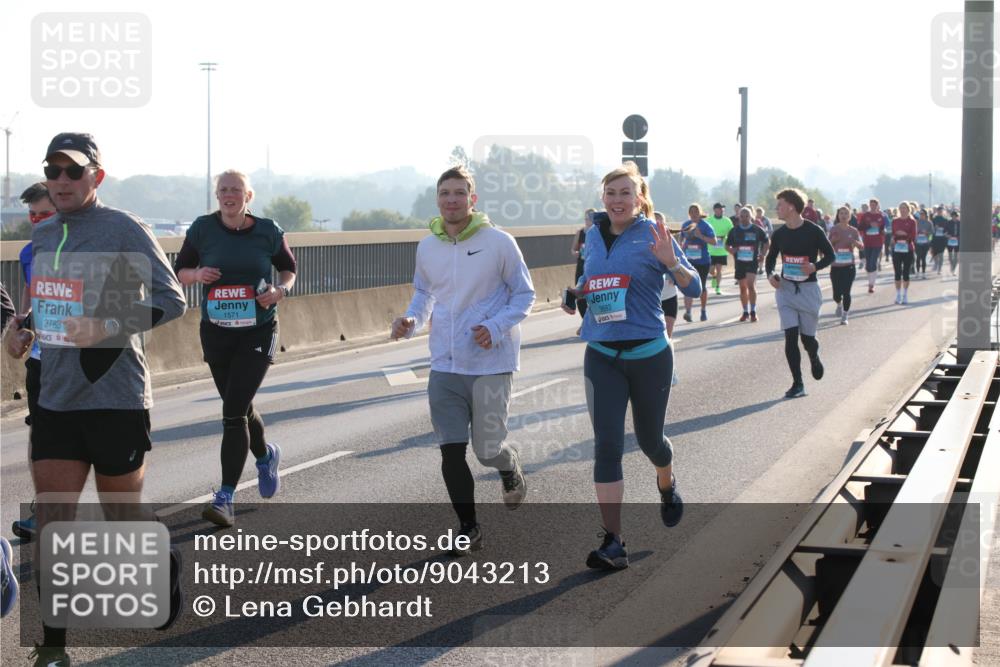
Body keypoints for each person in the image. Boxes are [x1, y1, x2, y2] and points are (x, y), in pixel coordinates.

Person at [6, 132, 187, 666]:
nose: (61, 181)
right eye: (53, 171)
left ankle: (163, 563)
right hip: (58, 399)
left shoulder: (124, 228)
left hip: (116, 396)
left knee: (122, 518)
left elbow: (171, 299)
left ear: (96, 177)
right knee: (53, 520)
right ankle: (54, 646)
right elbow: (50, 306)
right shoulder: (43, 236)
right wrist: (22, 333)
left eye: (73, 171)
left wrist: (108, 323)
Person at [391, 165, 534, 556]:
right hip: (445, 364)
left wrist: (497, 325)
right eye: (444, 194)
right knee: (451, 449)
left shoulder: (499, 242)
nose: (451, 200)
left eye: (459, 193)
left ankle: (507, 464)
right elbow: (424, 294)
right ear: (437, 199)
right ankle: (468, 527)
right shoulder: (428, 246)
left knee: (487, 450)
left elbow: (525, 295)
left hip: (490, 362)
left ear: (473, 199)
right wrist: (411, 320)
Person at [577, 162, 701, 570]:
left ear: (640, 198)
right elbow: (595, 282)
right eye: (611, 193)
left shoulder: (653, 234)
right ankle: (613, 541)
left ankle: (666, 481)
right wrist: (576, 294)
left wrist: (672, 262)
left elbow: (694, 286)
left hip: (649, 356)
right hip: (602, 356)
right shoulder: (592, 236)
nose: (617, 200)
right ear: (603, 198)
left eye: (625, 193)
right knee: (607, 446)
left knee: (651, 441)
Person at [174, 170, 295, 528]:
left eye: (236, 190)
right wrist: (198, 276)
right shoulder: (202, 228)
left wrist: (279, 291)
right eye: (223, 190)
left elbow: (288, 268)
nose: (229, 195)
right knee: (239, 405)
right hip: (217, 331)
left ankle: (225, 496)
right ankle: (264, 456)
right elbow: (181, 269)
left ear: (248, 196)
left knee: (232, 411)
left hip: (258, 329)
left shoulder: (268, 230)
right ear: (217, 195)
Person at [9, 183, 57, 542]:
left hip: (85, 362)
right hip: (42, 359)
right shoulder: (29, 253)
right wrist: (21, 323)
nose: (38, 221)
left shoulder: (89, 250)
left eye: (45, 214)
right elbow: (28, 292)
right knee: (39, 436)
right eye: (33, 215)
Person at [765, 188, 835, 399]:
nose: (777, 208)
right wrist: (771, 275)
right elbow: (770, 258)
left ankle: (813, 355)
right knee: (790, 336)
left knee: (807, 339)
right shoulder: (779, 233)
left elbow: (830, 255)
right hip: (786, 290)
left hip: (808, 291)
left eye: (780, 204)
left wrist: (815, 266)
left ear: (792, 206)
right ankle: (798, 383)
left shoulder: (813, 231)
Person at [725, 206, 769, 322]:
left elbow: (766, 242)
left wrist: (763, 254)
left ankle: (753, 311)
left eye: (747, 216)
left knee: (751, 285)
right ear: (739, 217)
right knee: (742, 288)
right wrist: (731, 250)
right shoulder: (734, 231)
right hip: (739, 263)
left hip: (752, 262)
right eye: (742, 216)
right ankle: (745, 312)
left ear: (751, 217)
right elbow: (727, 245)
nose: (744, 218)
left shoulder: (756, 229)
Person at [654, 212, 680, 386]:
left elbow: (681, 266)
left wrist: (674, 272)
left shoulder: (671, 244)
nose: (659, 228)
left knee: (666, 337)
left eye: (661, 224)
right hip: (652, 300)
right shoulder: (642, 244)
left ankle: (670, 371)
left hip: (669, 296)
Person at [680, 204, 717, 321]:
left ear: (700, 213)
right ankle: (688, 312)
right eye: (691, 211)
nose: (694, 213)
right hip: (688, 261)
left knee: (702, 287)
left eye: (696, 211)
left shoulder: (705, 226)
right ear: (689, 213)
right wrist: (682, 248)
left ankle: (703, 310)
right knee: (687, 285)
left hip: (703, 261)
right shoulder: (686, 225)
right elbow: (681, 240)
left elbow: (714, 241)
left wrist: (701, 236)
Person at [828, 205, 863, 325]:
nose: (843, 216)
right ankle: (839, 304)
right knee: (836, 294)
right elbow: (827, 246)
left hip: (849, 266)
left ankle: (845, 315)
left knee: (846, 292)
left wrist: (856, 243)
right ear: (838, 216)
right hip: (836, 266)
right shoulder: (833, 229)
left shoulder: (853, 231)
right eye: (841, 213)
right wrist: (834, 241)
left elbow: (861, 246)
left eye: (846, 214)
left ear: (849, 217)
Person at [571, 209, 596, 334]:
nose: (588, 221)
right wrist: (577, 253)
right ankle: (585, 321)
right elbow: (573, 249)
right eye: (586, 218)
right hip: (581, 266)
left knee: (593, 295)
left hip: (594, 267)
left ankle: (590, 322)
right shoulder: (580, 232)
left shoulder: (599, 232)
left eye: (590, 218)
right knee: (579, 296)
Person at [889, 202, 917, 304]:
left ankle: (905, 294)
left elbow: (913, 237)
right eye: (901, 208)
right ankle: (898, 295)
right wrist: (894, 237)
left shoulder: (912, 221)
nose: (902, 210)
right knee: (897, 272)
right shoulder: (895, 221)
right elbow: (893, 234)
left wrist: (905, 234)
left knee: (905, 273)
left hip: (908, 249)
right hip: (897, 249)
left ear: (908, 209)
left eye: (904, 208)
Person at [857, 198, 885, 294]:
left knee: (872, 262)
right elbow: (860, 227)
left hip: (877, 243)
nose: (872, 206)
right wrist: (869, 226)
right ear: (869, 205)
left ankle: (871, 285)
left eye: (874, 205)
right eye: (871, 205)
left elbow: (883, 229)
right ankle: (871, 279)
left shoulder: (880, 216)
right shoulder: (865, 216)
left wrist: (881, 229)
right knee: (869, 265)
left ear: (877, 206)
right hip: (867, 242)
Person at [707, 203, 733, 295]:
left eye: (723, 209)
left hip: (722, 250)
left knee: (719, 269)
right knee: (711, 270)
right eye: (719, 209)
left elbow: (731, 233)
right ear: (715, 210)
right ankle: (713, 276)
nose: (722, 210)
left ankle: (717, 288)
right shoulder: (709, 220)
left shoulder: (727, 221)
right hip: (710, 249)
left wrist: (730, 242)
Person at [914, 208, 933, 279]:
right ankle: (918, 272)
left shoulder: (929, 223)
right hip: (917, 242)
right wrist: (917, 233)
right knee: (918, 257)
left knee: (923, 258)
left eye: (923, 214)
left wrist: (927, 235)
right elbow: (913, 231)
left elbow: (932, 233)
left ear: (926, 215)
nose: (921, 215)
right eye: (920, 214)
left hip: (925, 243)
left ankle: (924, 273)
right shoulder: (916, 222)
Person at [931, 205, 950, 275]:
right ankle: (936, 263)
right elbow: (931, 229)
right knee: (935, 253)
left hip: (942, 239)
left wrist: (945, 232)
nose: (940, 212)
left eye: (941, 211)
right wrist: (934, 228)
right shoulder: (933, 219)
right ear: (937, 211)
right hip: (935, 238)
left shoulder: (945, 220)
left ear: (943, 212)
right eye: (939, 211)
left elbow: (948, 229)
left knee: (941, 254)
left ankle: (940, 268)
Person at [947, 209, 961, 275]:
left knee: (956, 256)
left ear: (957, 216)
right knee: (950, 256)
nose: (954, 217)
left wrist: (958, 237)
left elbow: (962, 232)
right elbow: (945, 231)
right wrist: (948, 235)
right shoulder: (948, 223)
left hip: (957, 241)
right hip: (950, 240)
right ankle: (951, 266)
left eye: (955, 216)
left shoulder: (960, 223)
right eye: (953, 216)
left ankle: (953, 269)